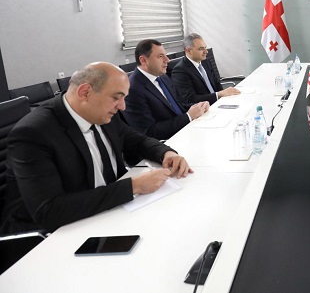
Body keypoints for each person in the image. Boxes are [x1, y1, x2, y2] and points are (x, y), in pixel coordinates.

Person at [0, 62, 192, 234]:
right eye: (116, 98)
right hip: (57, 233)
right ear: (85, 92)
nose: (123, 107)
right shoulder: (33, 133)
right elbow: (49, 211)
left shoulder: (101, 112)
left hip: (109, 210)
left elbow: (136, 140)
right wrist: (134, 186)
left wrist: (165, 153)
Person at [122, 39, 210, 140]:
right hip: (170, 141)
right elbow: (149, 132)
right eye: (160, 56)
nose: (167, 60)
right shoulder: (132, 89)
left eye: (165, 55)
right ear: (143, 60)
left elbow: (179, 105)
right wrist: (188, 116)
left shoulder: (162, 77)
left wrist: (198, 106)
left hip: (186, 129)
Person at [171, 33, 240, 104]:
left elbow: (216, 83)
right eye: (201, 49)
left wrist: (224, 98)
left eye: (205, 47)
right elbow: (190, 99)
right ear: (188, 50)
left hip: (219, 103)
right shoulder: (180, 71)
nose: (206, 52)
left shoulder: (206, 62)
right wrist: (219, 95)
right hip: (204, 107)